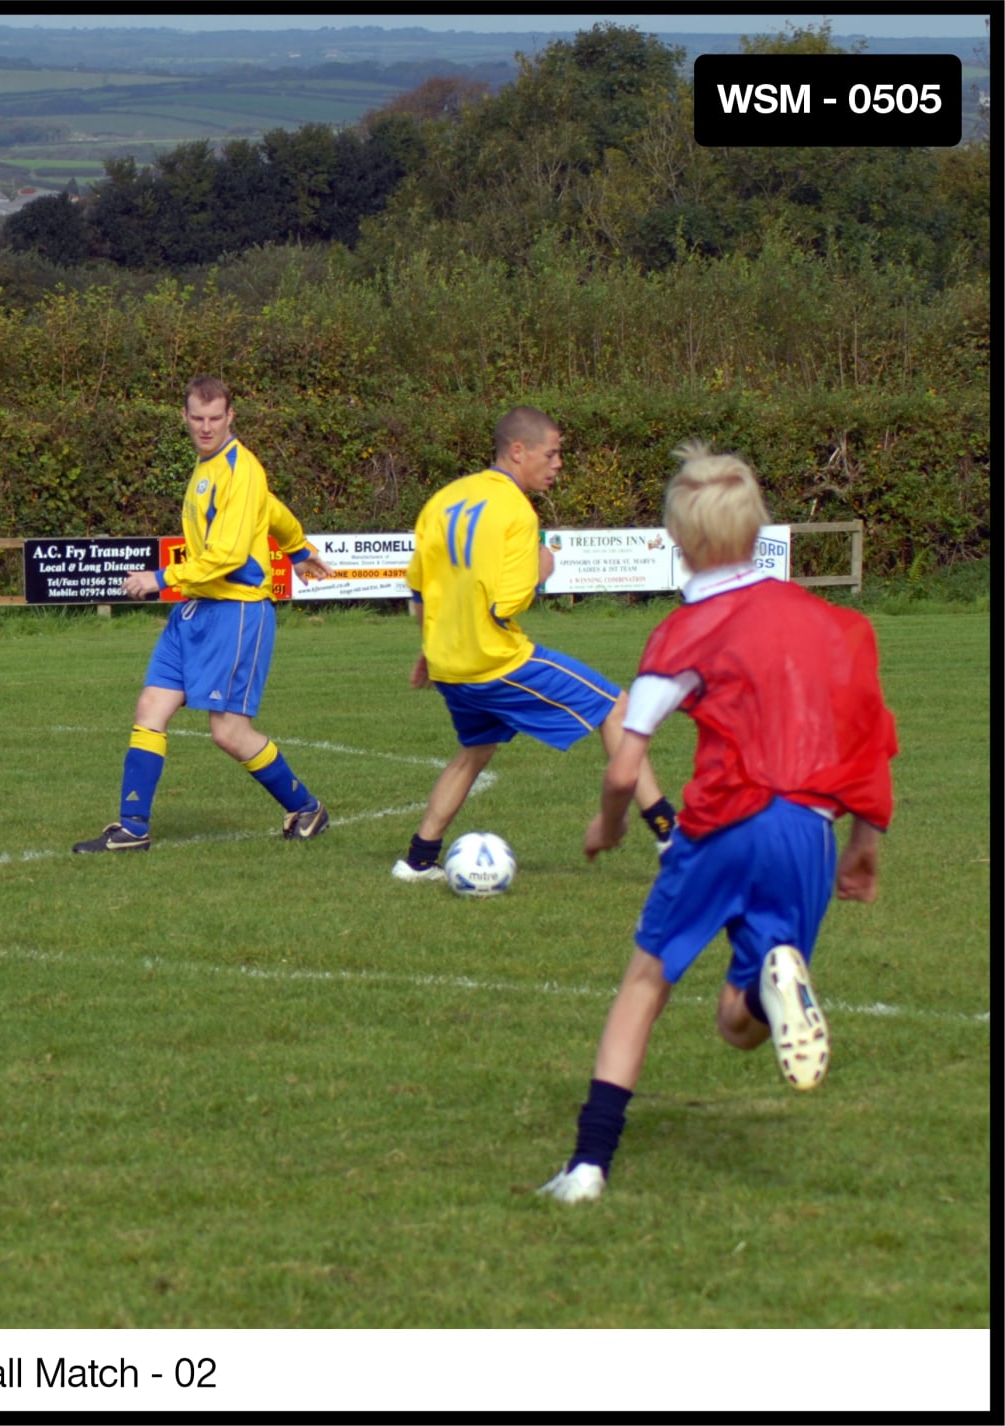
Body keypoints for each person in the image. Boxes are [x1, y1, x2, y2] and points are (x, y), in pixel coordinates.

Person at [539, 440, 898, 1204]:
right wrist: (863, 842)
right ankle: (774, 985)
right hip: (807, 829)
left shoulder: (683, 633)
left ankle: (587, 1167)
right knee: (736, 1026)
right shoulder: (826, 620)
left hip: (724, 819)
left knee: (645, 982)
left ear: (676, 543)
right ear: (760, 531)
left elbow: (625, 767)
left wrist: (607, 825)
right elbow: (869, 731)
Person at [393, 406, 678, 882]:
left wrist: (430, 648)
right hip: (496, 660)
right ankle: (671, 836)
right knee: (616, 706)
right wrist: (544, 569)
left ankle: (419, 860)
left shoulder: (442, 500)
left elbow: (422, 588)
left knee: (475, 751)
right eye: (552, 453)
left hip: (451, 665)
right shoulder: (516, 513)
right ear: (518, 450)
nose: (558, 463)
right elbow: (507, 603)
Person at [72, 376, 337, 854]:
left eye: (216, 418)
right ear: (185, 416)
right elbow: (272, 511)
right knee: (150, 710)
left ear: (231, 416)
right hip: (196, 609)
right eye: (198, 418)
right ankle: (132, 829)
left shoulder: (241, 468)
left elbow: (229, 555)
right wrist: (298, 548)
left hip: (235, 612)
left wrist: (160, 578)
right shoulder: (208, 465)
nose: (207, 427)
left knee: (229, 733)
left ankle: (307, 807)